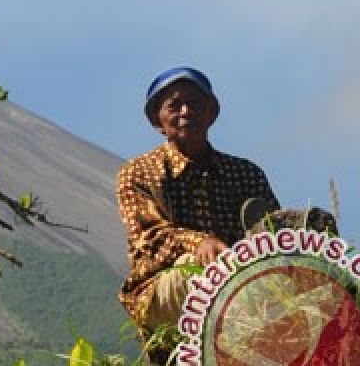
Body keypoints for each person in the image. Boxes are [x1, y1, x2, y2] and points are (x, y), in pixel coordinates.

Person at [116, 66, 280, 336]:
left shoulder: (245, 173)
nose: (185, 112)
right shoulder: (138, 172)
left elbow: (272, 229)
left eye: (194, 103)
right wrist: (199, 244)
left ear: (210, 113)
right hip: (165, 287)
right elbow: (149, 237)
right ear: (158, 121)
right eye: (174, 105)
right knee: (197, 271)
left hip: (243, 286)